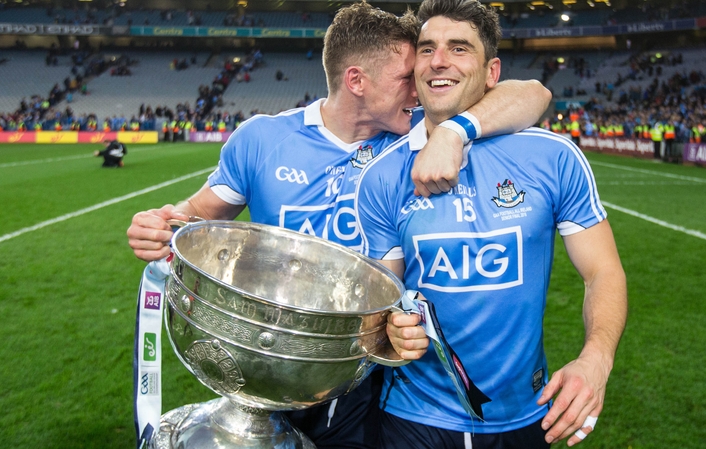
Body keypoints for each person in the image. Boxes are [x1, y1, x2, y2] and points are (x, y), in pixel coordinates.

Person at [127, 3, 549, 448]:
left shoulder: (411, 145)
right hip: (263, 363)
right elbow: (198, 216)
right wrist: (160, 225)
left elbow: (534, 94)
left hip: (358, 383)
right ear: (357, 82)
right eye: (406, 79)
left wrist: (454, 131)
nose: (420, 90)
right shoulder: (263, 140)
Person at [354, 0, 627, 447]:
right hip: (412, 418)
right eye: (427, 49)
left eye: (459, 48)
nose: (439, 60)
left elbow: (603, 272)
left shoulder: (552, 158)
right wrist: (387, 332)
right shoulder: (382, 177)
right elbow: (378, 303)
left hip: (526, 413)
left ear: (492, 72)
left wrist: (596, 360)